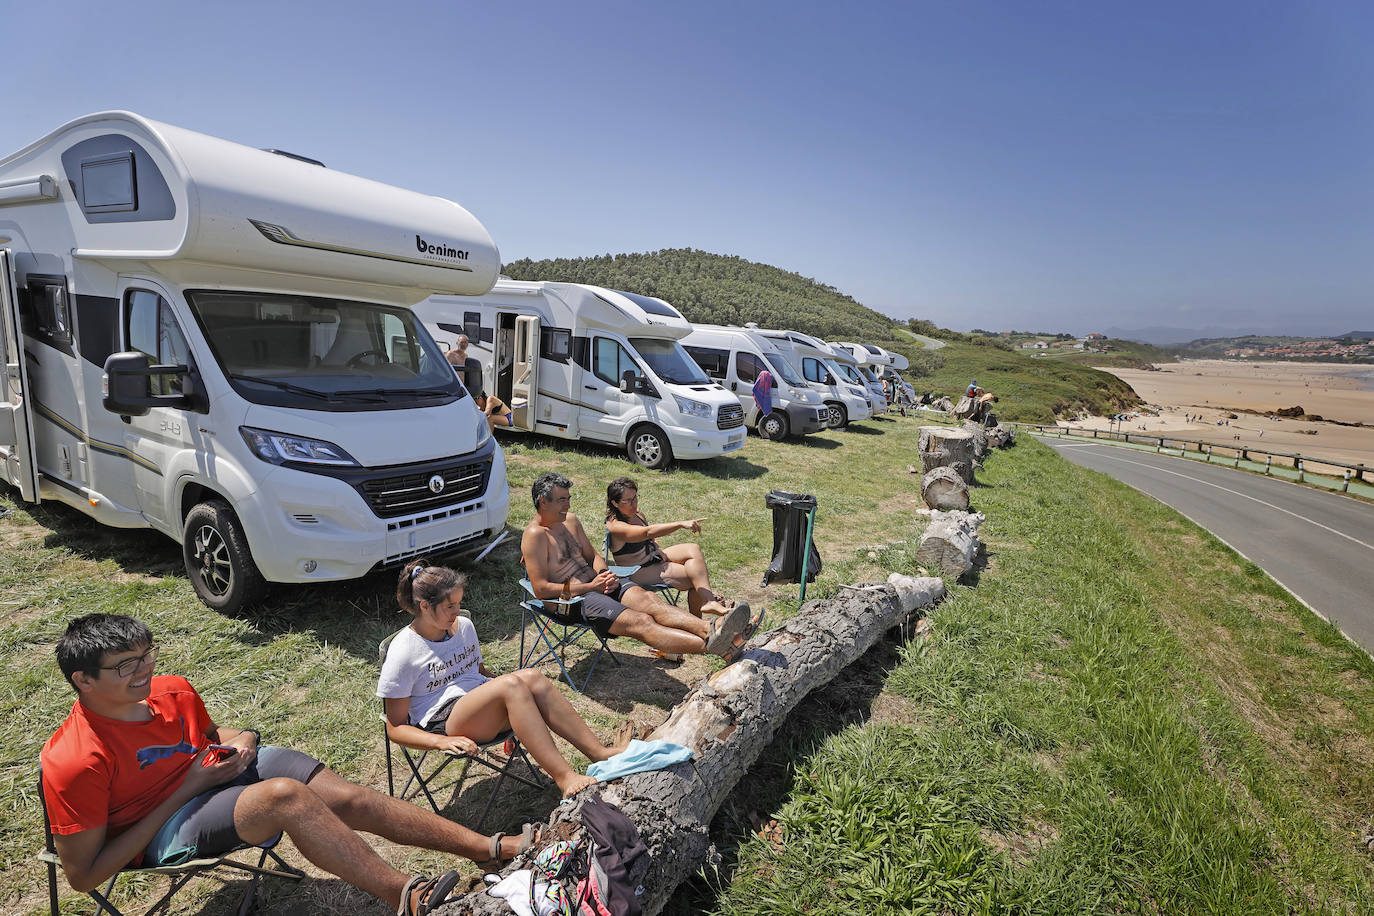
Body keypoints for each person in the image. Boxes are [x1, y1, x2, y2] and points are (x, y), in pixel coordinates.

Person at [40, 615, 532, 916]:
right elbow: (83, 877)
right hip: (159, 828)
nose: (144, 670)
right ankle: (408, 898)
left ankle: (489, 848)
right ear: (82, 680)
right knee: (285, 796)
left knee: (346, 796)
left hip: (211, 776)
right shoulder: (74, 760)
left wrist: (246, 740)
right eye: (126, 666)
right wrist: (188, 786)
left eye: (146, 656)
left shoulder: (172, 689)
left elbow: (210, 739)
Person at [381, 560, 632, 799]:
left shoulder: (464, 626)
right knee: (511, 684)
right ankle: (565, 777)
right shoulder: (404, 650)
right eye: (450, 606)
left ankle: (599, 753)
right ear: (424, 606)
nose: (457, 612)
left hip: (478, 701)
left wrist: (516, 705)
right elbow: (395, 728)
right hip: (446, 721)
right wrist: (441, 741)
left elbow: (478, 672)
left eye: (459, 603)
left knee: (531, 677)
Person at [521, 472, 760, 662]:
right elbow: (541, 589)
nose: (568, 504)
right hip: (570, 601)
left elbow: (592, 555)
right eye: (562, 499)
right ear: (543, 502)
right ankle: (721, 645)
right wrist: (588, 586)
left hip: (598, 583)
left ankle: (715, 629)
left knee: (651, 602)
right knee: (642, 622)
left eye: (569, 498)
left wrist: (604, 574)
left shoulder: (570, 521)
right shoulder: (534, 536)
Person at [604, 476, 737, 621]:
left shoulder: (636, 513)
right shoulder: (615, 527)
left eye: (635, 497)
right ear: (615, 503)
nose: (634, 503)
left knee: (693, 549)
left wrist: (657, 547)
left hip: (654, 557)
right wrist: (680, 524)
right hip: (638, 570)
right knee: (694, 580)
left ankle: (709, 602)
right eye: (628, 501)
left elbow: (650, 537)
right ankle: (700, 623)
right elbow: (646, 532)